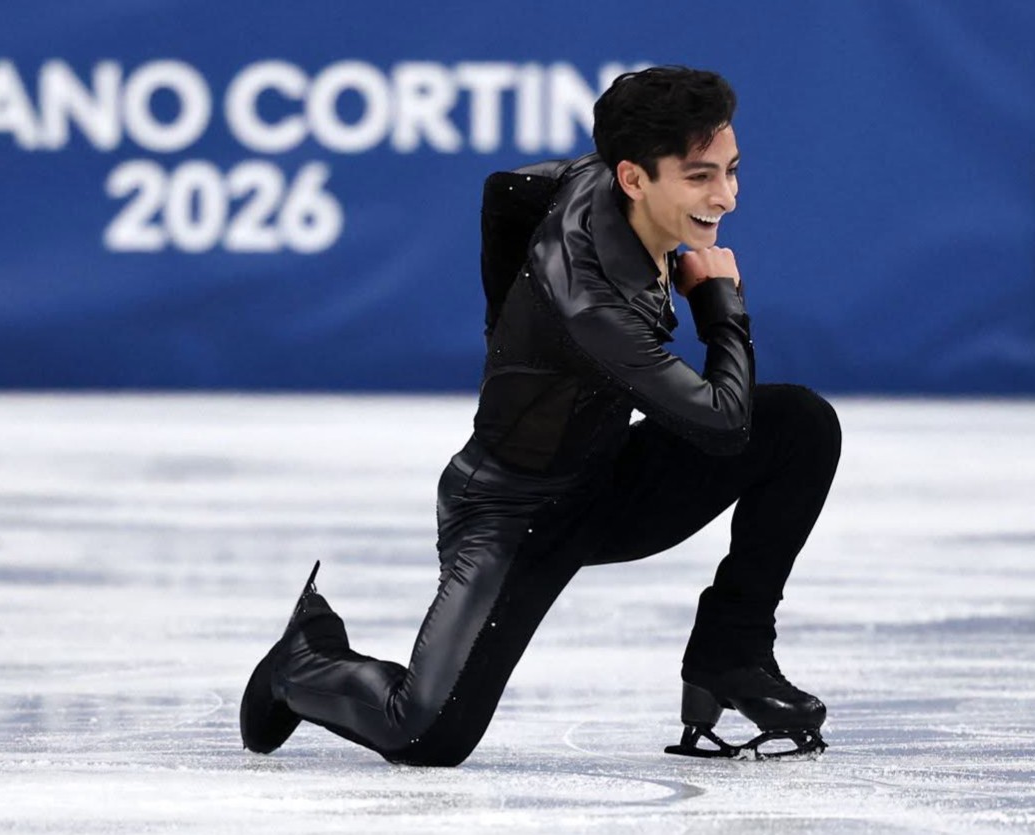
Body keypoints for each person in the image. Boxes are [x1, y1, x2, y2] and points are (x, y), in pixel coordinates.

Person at [240, 66, 841, 766]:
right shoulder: (593, 306)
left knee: (800, 425)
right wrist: (722, 306)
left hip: (602, 479)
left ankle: (731, 653)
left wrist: (507, 323)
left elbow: (506, 192)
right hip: (508, 515)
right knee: (426, 732)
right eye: (702, 177)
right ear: (635, 178)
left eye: (732, 171)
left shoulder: (589, 180)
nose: (727, 197)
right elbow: (721, 424)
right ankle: (305, 658)